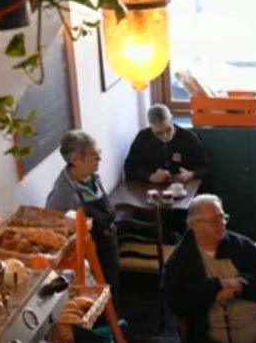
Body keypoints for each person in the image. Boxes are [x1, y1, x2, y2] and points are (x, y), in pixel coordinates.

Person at [163, 195, 256, 343]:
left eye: (222, 217)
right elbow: (179, 303)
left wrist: (239, 285)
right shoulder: (180, 261)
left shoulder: (240, 245)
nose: (221, 224)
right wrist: (217, 286)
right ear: (193, 225)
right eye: (213, 220)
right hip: (213, 342)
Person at [45, 130, 120, 304]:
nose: (99, 159)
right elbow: (55, 232)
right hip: (91, 257)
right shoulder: (64, 194)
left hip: (109, 245)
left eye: (98, 153)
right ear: (75, 160)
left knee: (114, 288)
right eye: (94, 155)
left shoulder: (92, 177)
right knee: (100, 300)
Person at [124, 103, 209, 185]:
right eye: (159, 133)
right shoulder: (143, 137)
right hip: (151, 188)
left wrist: (192, 174)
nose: (165, 136)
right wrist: (150, 176)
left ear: (172, 119)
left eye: (168, 130)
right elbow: (130, 167)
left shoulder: (189, 138)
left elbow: (206, 168)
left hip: (184, 187)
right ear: (151, 126)